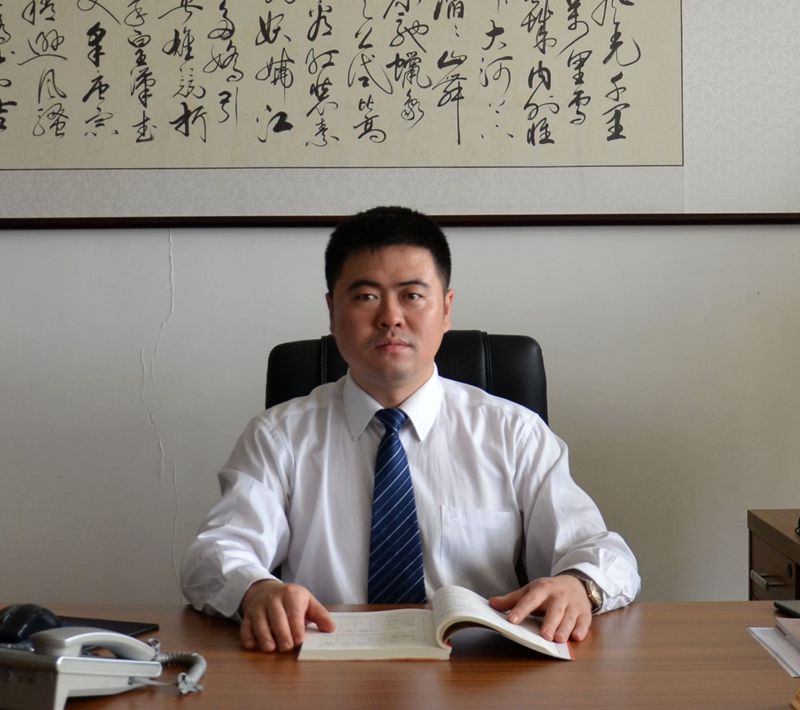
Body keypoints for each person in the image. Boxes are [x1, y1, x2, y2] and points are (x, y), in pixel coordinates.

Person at [180, 206, 640, 654]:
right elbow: (214, 554)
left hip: (479, 674)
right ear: (332, 310)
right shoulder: (278, 437)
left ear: (447, 308)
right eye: (366, 296)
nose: (390, 318)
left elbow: (603, 552)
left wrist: (580, 585)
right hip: (325, 670)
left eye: (413, 295)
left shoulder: (513, 433)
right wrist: (256, 590)